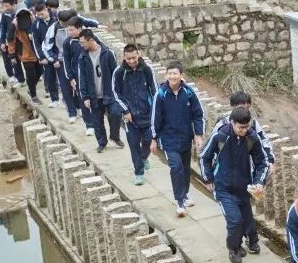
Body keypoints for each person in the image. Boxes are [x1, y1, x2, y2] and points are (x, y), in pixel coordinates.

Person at [199, 106, 267, 263]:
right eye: (240, 127)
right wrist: (208, 179)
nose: (244, 130)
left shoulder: (252, 138)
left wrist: (259, 182)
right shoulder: (221, 136)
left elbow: (262, 163)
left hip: (244, 188)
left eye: (247, 126)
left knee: (247, 221)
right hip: (224, 188)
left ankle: (251, 241)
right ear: (232, 123)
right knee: (235, 220)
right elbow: (204, 157)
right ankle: (234, 249)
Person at [151, 62, 205, 215]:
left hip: (185, 138)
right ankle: (179, 201)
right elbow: (155, 118)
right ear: (166, 75)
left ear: (181, 76)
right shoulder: (161, 94)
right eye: (170, 73)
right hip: (168, 140)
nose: (172, 76)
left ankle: (185, 194)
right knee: (176, 168)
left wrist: (198, 134)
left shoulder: (188, 92)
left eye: (175, 73)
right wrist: (153, 138)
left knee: (186, 168)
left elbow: (198, 114)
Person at [112, 44, 157, 185]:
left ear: (138, 55)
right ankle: (139, 173)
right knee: (133, 145)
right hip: (129, 117)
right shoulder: (119, 72)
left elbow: (154, 90)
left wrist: (156, 111)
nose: (131, 61)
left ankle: (144, 158)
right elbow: (115, 93)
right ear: (124, 57)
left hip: (147, 114)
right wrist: (125, 111)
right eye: (128, 58)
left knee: (148, 141)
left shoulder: (147, 70)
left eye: (133, 57)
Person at [77, 29, 123, 153]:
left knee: (116, 113)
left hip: (109, 93)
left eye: (83, 42)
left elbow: (116, 74)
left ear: (90, 40)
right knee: (97, 121)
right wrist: (85, 97)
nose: (81, 45)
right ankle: (102, 142)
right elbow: (82, 78)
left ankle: (115, 136)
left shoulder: (107, 53)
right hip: (93, 95)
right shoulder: (82, 57)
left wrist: (118, 91)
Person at [210, 90, 275, 173]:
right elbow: (212, 146)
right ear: (232, 106)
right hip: (224, 169)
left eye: (247, 108)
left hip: (246, 168)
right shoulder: (222, 123)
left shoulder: (253, 123)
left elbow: (264, 140)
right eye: (241, 107)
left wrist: (270, 160)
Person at [6, 8, 42, 103]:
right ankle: (33, 96)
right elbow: (10, 41)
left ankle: (31, 88)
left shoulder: (33, 20)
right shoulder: (14, 25)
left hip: (36, 52)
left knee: (39, 71)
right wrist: (12, 55)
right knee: (30, 74)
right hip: (25, 53)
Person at [32, 1, 60, 107]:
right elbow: (36, 42)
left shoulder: (56, 18)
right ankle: (54, 99)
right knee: (50, 77)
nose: (40, 16)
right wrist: (41, 57)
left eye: (41, 14)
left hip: (58, 52)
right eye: (38, 14)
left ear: (46, 9)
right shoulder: (36, 23)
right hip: (46, 55)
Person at [0, 0, 25, 86]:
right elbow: (3, 29)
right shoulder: (5, 15)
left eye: (7, 6)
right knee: (15, 61)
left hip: (22, 40)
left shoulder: (20, 12)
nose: (5, 8)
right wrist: (2, 42)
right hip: (11, 41)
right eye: (4, 6)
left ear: (12, 4)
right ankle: (21, 79)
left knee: (26, 59)